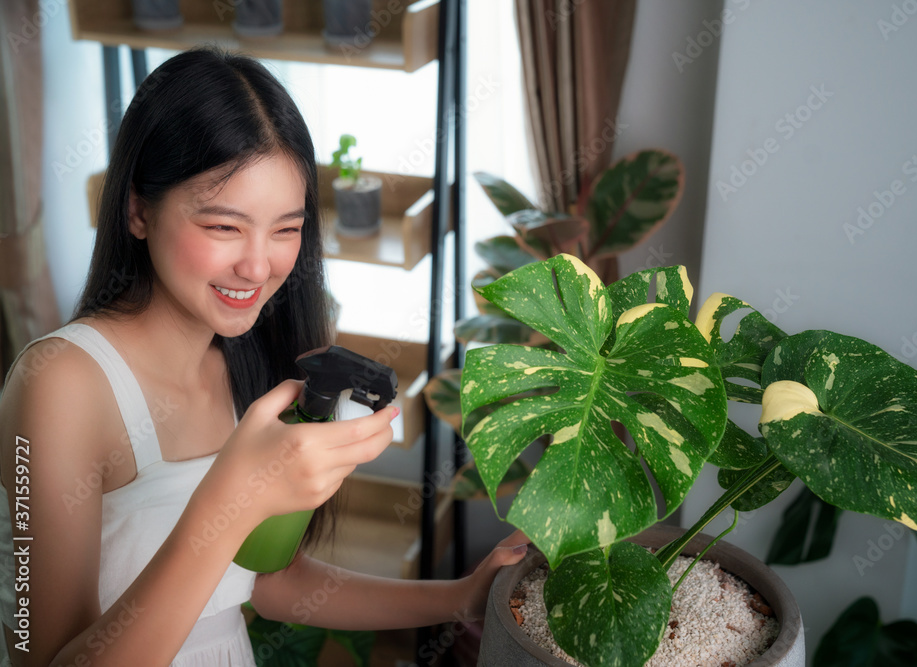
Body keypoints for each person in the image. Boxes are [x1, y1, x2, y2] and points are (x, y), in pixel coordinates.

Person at [0, 47, 526, 666]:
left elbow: (273, 584)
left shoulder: (248, 365)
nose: (258, 266)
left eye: (285, 229)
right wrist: (234, 499)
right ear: (138, 209)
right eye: (223, 227)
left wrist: (463, 597)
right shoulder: (58, 384)